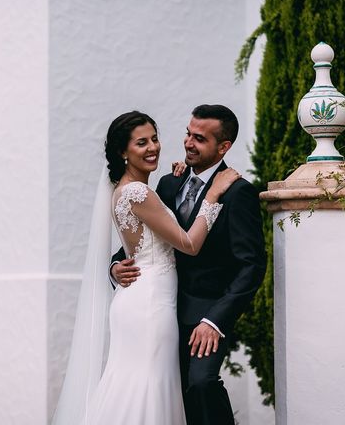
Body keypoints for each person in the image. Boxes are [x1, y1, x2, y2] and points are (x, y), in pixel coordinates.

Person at [52, 111, 240, 425]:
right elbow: (189, 244)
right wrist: (213, 193)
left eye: (154, 138)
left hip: (141, 298)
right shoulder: (138, 193)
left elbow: (140, 244)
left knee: (134, 386)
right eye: (142, 143)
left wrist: (114, 266)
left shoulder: (134, 189)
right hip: (150, 304)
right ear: (123, 152)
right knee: (147, 389)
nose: (153, 147)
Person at [111, 104, 267, 425]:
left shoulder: (237, 193)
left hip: (205, 316)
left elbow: (251, 265)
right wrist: (115, 267)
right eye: (187, 133)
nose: (188, 143)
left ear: (223, 147)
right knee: (165, 393)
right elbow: (146, 237)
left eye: (199, 138)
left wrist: (215, 320)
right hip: (160, 309)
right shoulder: (168, 183)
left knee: (201, 383)